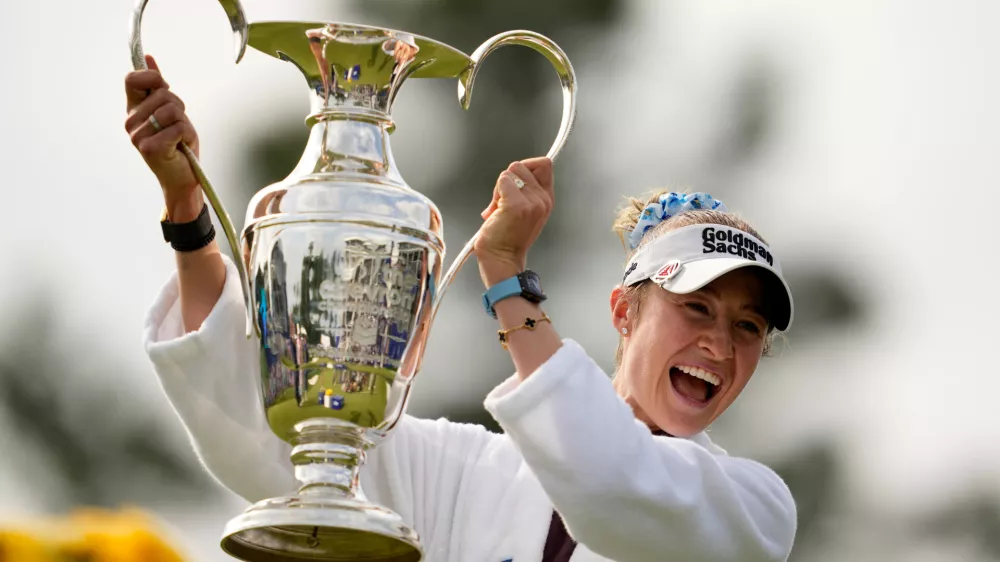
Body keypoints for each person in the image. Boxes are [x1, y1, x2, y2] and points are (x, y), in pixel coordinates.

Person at [126, 56, 797, 562]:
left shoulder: (755, 508)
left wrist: (507, 278)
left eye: (747, 327)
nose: (720, 344)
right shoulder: (466, 469)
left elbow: (610, 479)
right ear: (624, 311)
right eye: (698, 309)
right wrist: (188, 213)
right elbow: (269, 438)